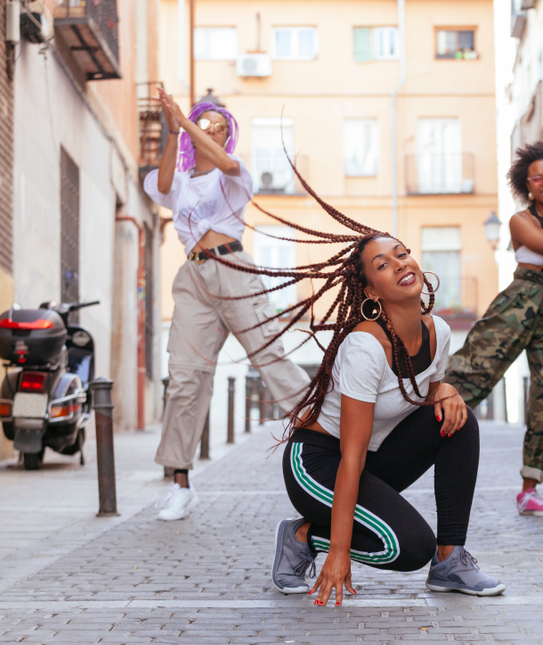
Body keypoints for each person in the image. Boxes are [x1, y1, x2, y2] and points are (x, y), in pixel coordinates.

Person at [266, 231, 505, 605]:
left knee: (459, 420)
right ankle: (303, 537)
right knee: (409, 547)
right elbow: (352, 456)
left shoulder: (438, 332)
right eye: (383, 265)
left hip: (369, 459)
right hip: (319, 464)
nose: (399, 265)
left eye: (402, 254)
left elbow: (421, 396)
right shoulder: (365, 347)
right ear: (372, 292)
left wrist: (445, 389)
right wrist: (339, 551)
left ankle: (449, 561)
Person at [143, 89, 309, 521]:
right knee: (184, 378)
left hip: (233, 268)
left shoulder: (233, 175)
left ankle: (334, 439)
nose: (213, 131)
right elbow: (161, 187)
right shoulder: (180, 180)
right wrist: (174, 129)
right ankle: (180, 482)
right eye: (207, 124)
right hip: (192, 279)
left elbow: (229, 163)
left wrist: (186, 119)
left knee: (271, 356)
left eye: (220, 128)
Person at [444, 141, 543, 518]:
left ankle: (530, 487)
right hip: (522, 301)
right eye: (538, 177)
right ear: (527, 186)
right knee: (471, 375)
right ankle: (406, 439)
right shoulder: (519, 221)